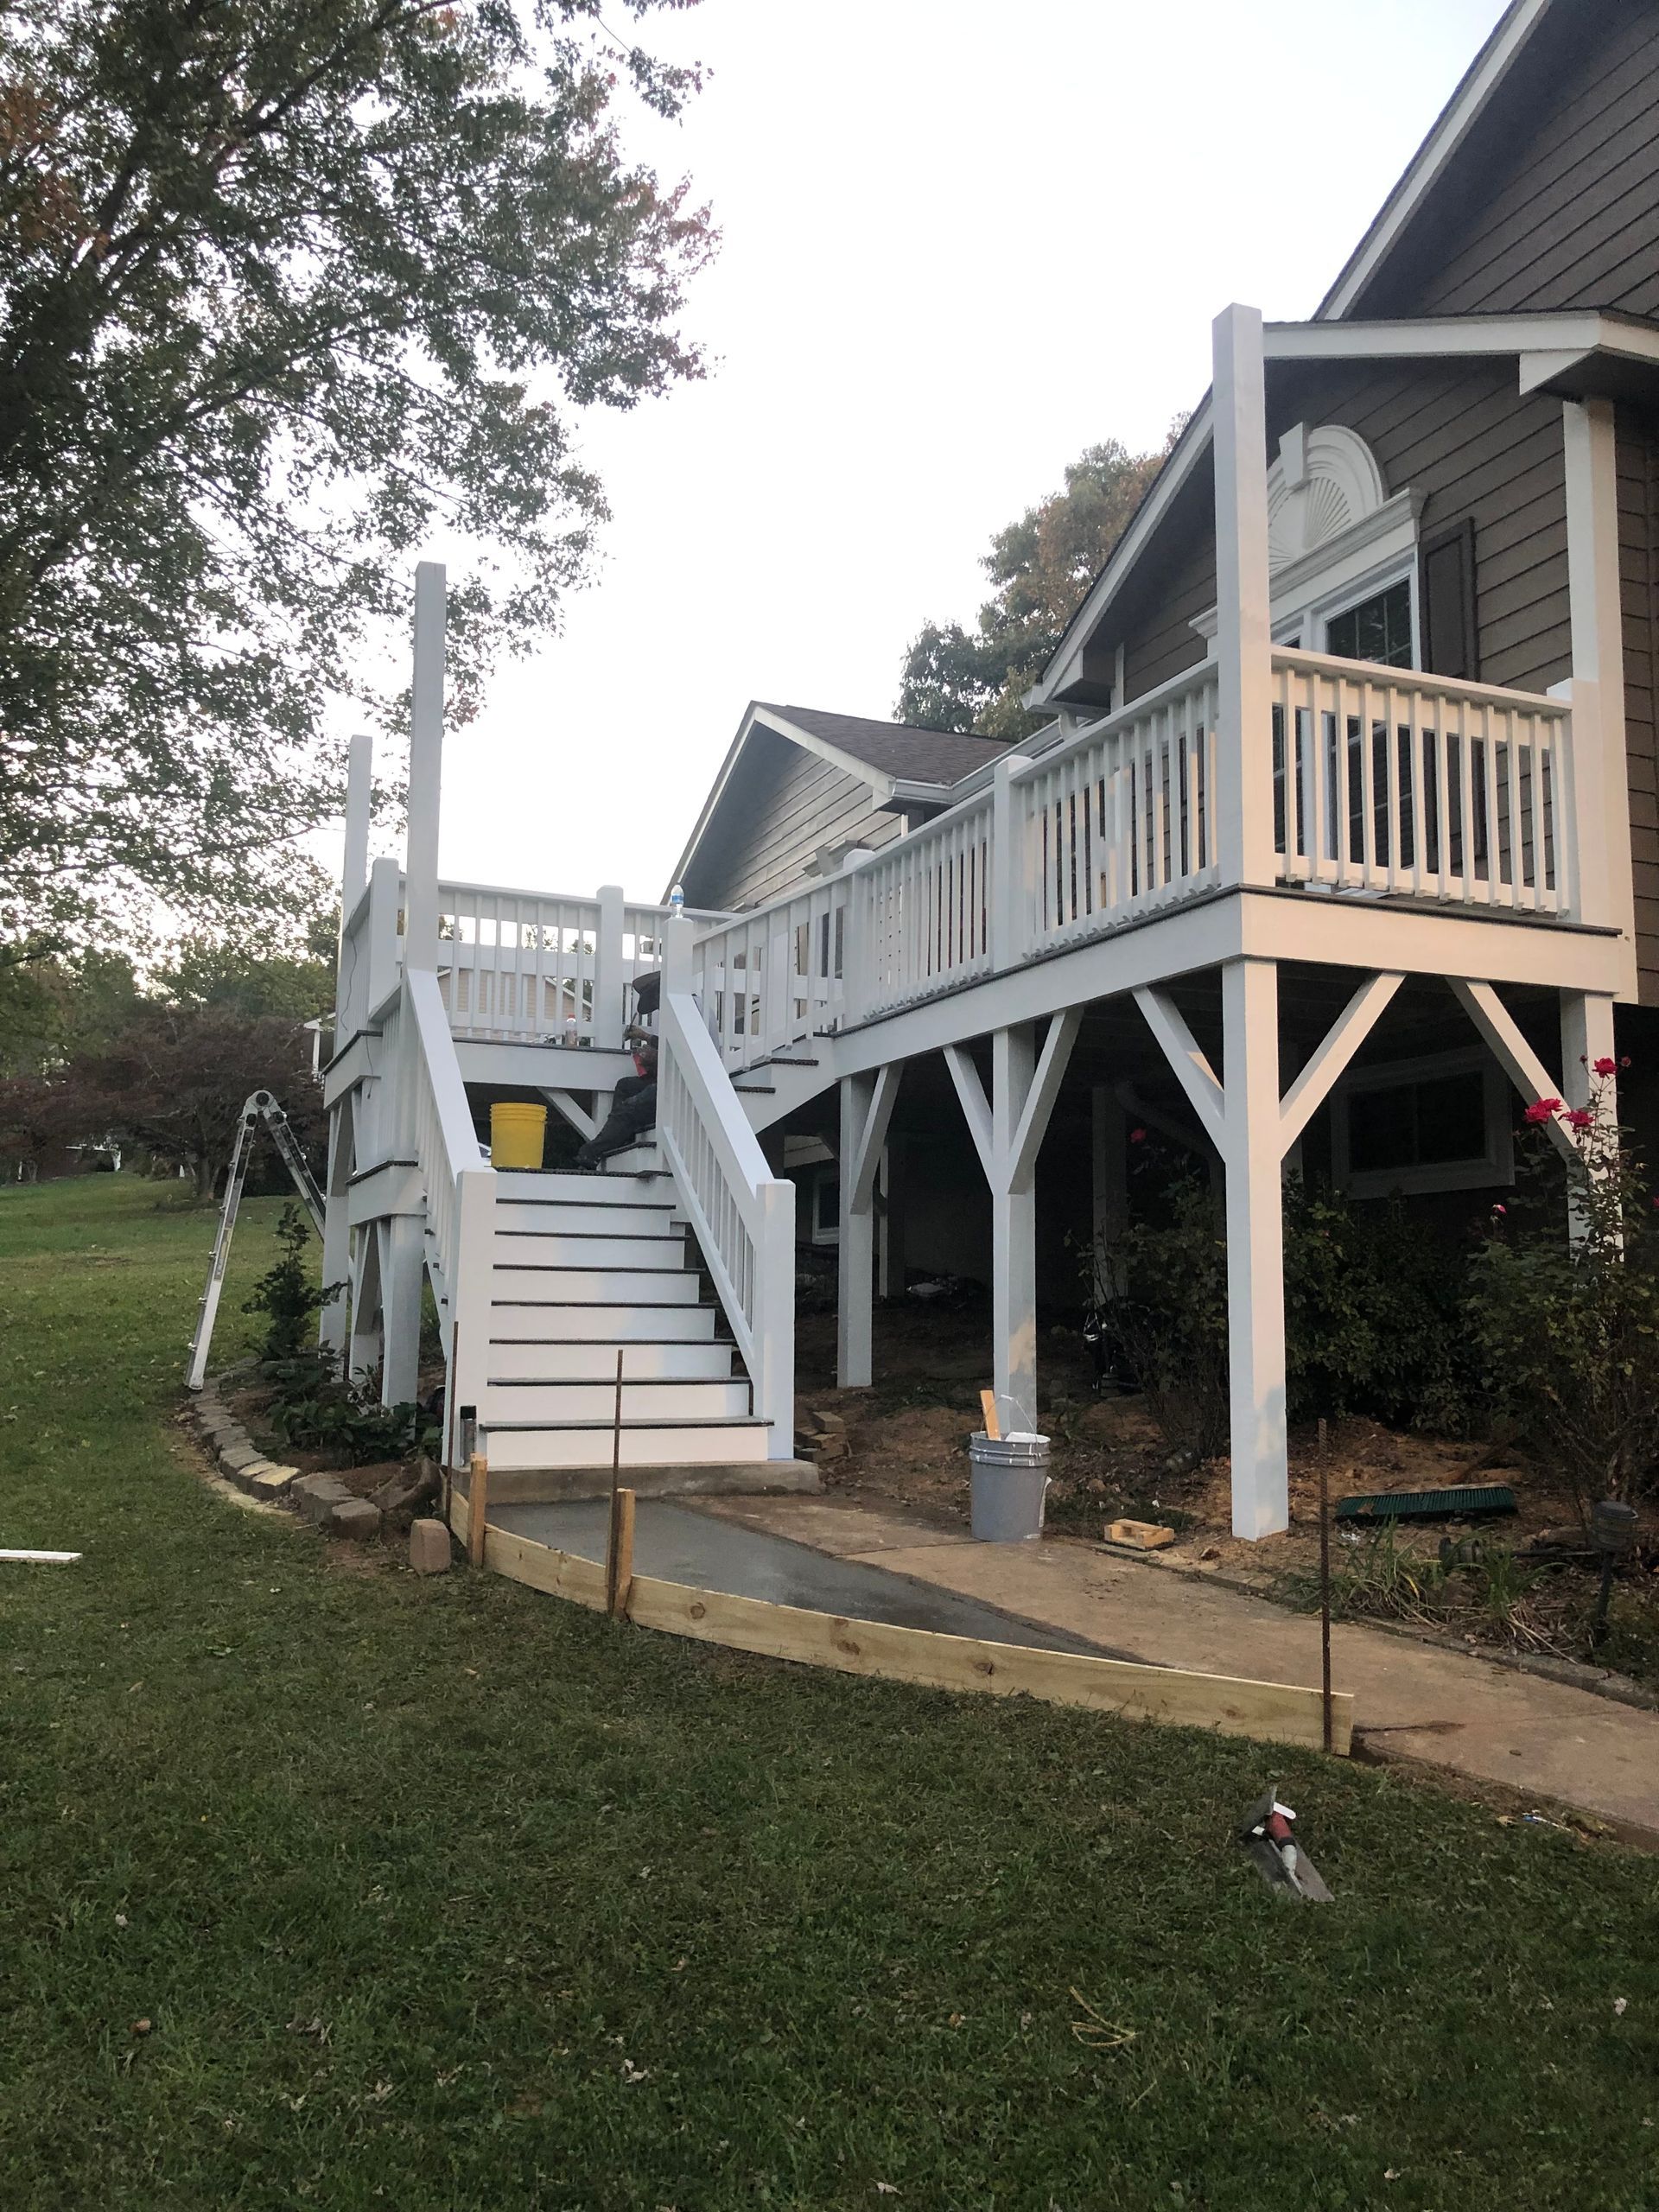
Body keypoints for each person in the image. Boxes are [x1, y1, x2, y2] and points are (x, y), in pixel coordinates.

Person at [575, 1033, 658, 1168]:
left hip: (668, 1086)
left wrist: (646, 1040)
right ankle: (621, 1136)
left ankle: (593, 1150)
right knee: (625, 1086)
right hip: (660, 1080)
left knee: (628, 1108)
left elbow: (671, 1051)